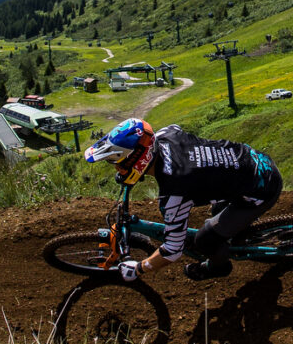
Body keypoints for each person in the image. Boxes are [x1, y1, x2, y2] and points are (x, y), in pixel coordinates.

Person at [82, 118, 281, 281]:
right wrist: (134, 170)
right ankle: (237, 232)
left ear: (137, 159)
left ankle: (218, 267)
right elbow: (161, 147)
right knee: (216, 213)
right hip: (254, 160)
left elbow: (172, 250)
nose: (117, 168)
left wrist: (139, 269)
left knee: (204, 240)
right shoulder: (166, 134)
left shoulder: (174, 193)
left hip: (262, 189)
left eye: (117, 162)